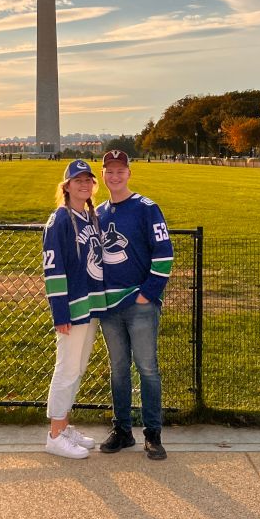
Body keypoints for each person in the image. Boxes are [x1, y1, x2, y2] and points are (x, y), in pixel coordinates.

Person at [97, 149, 174, 460]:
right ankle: (123, 430)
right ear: (102, 175)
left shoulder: (146, 208)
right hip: (110, 307)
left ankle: (152, 433)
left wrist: (148, 293)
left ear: (129, 173)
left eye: (120, 171)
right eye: (109, 171)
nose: (115, 176)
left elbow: (164, 254)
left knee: (147, 368)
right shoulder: (98, 212)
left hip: (140, 303)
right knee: (118, 370)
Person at [42, 159, 106, 459]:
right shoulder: (60, 220)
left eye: (88, 180)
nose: (83, 184)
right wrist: (60, 313)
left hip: (90, 305)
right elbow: (53, 269)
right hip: (73, 308)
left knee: (77, 368)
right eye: (77, 180)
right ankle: (55, 435)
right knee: (67, 368)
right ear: (66, 186)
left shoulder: (90, 217)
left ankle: (64, 425)